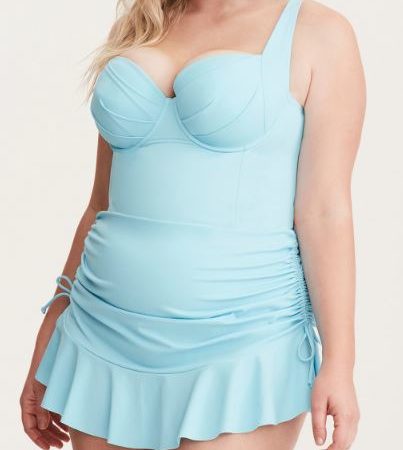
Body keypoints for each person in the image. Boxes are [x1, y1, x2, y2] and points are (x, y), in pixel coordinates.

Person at [20, 0, 366, 449]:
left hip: (244, 340)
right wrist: (55, 318)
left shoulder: (317, 31)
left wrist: (340, 362)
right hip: (99, 334)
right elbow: (101, 203)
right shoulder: (143, 21)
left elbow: (325, 211)